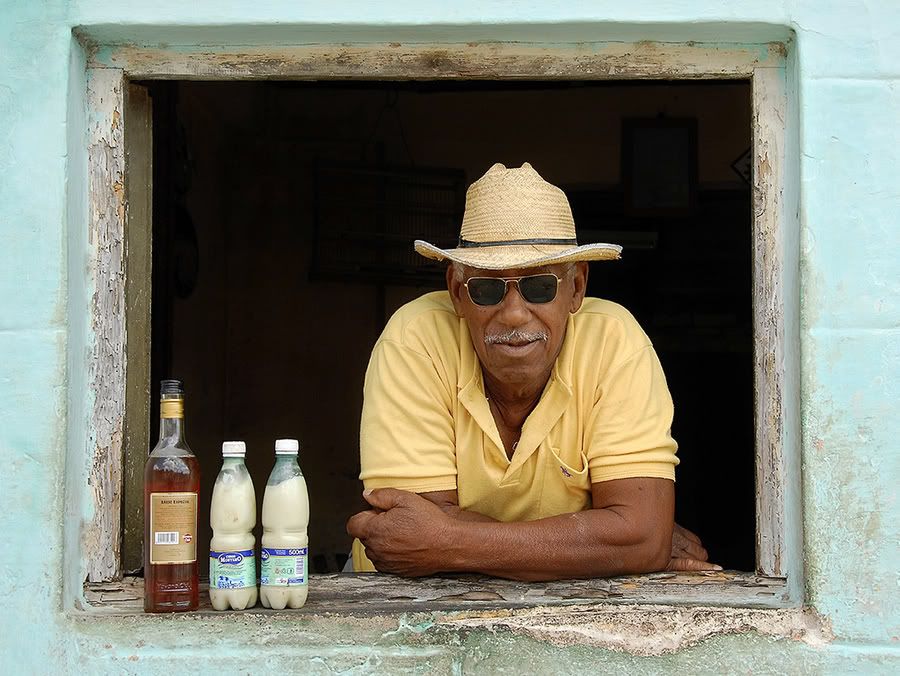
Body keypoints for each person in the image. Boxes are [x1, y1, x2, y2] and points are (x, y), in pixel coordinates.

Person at [346, 162, 716, 580]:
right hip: (394, 601)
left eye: (540, 286)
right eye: (487, 288)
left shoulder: (614, 341)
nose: (514, 314)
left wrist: (447, 542)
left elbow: (430, 541)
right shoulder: (415, 339)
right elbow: (409, 534)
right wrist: (607, 546)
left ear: (576, 288)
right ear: (455, 291)